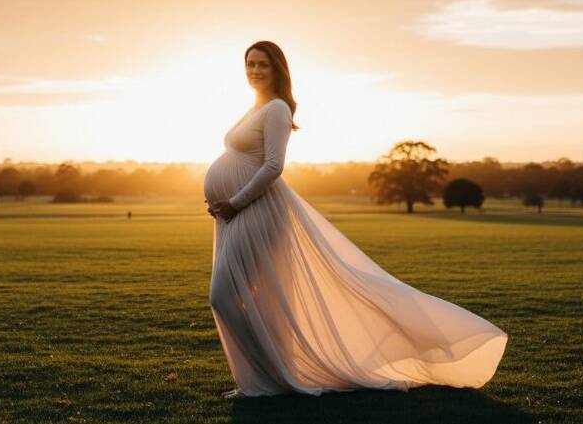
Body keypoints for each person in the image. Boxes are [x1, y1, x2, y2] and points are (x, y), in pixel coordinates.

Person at [203, 40, 508, 399]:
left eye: (262, 65)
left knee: (223, 295)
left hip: (257, 211)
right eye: (250, 64)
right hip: (235, 214)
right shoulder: (253, 109)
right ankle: (264, 379)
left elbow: (273, 166)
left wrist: (236, 202)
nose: (254, 71)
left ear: (277, 70)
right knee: (258, 297)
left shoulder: (277, 110)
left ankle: (271, 378)